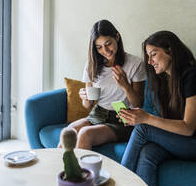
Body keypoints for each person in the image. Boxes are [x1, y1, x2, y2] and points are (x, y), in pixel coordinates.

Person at [119, 31, 196, 186]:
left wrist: (146, 119)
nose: (150, 61)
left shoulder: (194, 77)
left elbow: (187, 128)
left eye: (154, 54)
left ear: (170, 50)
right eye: (148, 56)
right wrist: (137, 117)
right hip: (192, 140)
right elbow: (172, 124)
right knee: (148, 151)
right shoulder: (168, 80)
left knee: (143, 129)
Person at [59, 20, 146, 150]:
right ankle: (61, 169)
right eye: (99, 47)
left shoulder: (135, 64)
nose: (105, 50)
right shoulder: (91, 64)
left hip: (122, 118)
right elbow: (87, 106)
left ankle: (81, 171)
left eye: (108, 44)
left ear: (117, 37)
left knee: (85, 134)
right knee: (68, 132)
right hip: (98, 113)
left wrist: (126, 86)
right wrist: (85, 98)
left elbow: (139, 103)